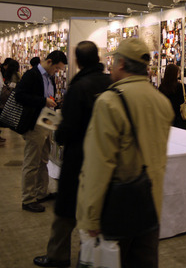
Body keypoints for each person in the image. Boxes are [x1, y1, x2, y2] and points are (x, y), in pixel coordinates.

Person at [77, 38, 174, 268]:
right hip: (150, 204)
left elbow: (99, 164)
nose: (109, 66)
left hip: (116, 208)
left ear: (121, 65)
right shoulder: (161, 102)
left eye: (112, 61)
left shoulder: (109, 102)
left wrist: (91, 215)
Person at [33, 42, 112, 268]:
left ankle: (58, 257)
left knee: (66, 211)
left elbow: (67, 130)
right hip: (103, 158)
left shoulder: (78, 87)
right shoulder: (110, 83)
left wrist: (58, 132)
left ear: (77, 61)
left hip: (78, 159)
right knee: (98, 210)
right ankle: (95, 257)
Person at [15, 50, 68, 213]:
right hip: (34, 123)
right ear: (50, 62)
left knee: (44, 159)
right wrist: (42, 100)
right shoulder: (32, 75)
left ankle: (41, 192)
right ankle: (28, 198)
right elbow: (19, 96)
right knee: (32, 161)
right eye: (57, 68)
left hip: (47, 120)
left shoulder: (49, 76)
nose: (57, 72)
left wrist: (52, 102)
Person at [159, 63, 186, 130]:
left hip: (165, 118)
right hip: (180, 118)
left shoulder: (162, 87)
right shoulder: (182, 86)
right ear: (176, 73)